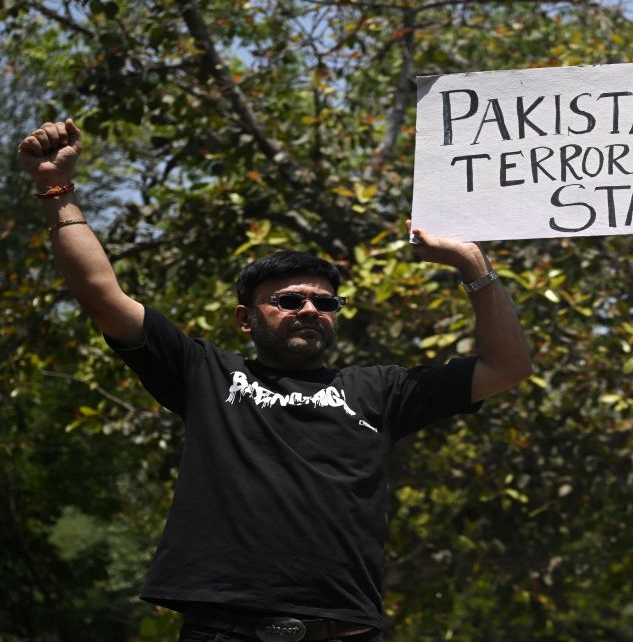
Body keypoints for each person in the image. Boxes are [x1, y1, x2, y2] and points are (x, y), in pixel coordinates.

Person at [19, 118, 533, 642]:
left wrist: (471, 263)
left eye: (324, 303)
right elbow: (103, 295)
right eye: (289, 300)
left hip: (347, 634)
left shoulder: (381, 391)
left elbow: (506, 368)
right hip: (224, 633)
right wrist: (53, 189)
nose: (309, 309)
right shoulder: (205, 373)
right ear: (247, 319)